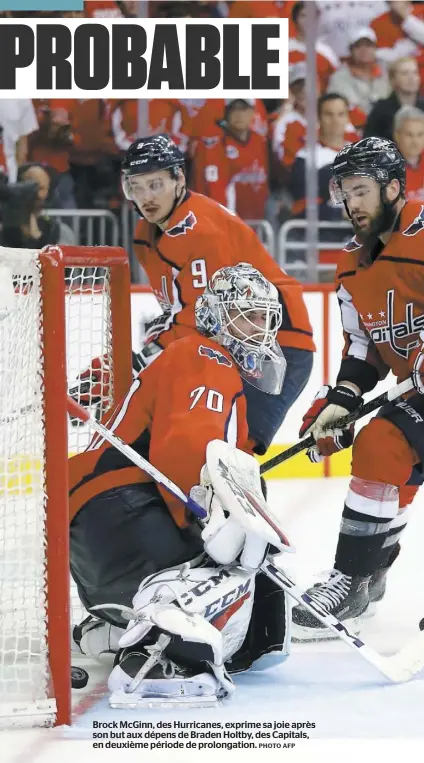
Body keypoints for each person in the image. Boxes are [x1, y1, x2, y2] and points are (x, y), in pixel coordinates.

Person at [70, 263, 291, 704]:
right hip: (123, 510)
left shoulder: (207, 364)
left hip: (100, 528)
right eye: (245, 315)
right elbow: (185, 449)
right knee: (231, 562)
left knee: (253, 561)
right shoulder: (205, 355)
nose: (258, 328)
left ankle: (116, 627)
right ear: (214, 316)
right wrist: (209, 524)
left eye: (265, 317)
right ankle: (158, 659)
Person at [291, 137, 424, 640]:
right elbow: (364, 344)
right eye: (344, 192)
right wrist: (342, 399)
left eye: (361, 191)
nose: (351, 204)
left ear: (392, 187)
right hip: (419, 391)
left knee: (382, 442)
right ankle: (365, 579)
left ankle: (351, 579)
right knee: (392, 464)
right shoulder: (350, 261)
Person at [124, 134, 314, 457]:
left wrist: (144, 359)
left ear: (178, 179)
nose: (146, 197)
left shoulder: (202, 232)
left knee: (234, 450)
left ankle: (238, 503)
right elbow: (183, 313)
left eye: (155, 184)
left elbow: (203, 320)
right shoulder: (146, 234)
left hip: (274, 343)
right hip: (231, 341)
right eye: (136, 186)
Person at [364, 56, 424, 142]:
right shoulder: (380, 110)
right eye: (405, 73)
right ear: (393, 79)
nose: (411, 78)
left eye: (415, 72)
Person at [393, 105, 424, 201]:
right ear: (397, 135)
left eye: (420, 134)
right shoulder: (387, 168)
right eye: (409, 135)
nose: (415, 141)